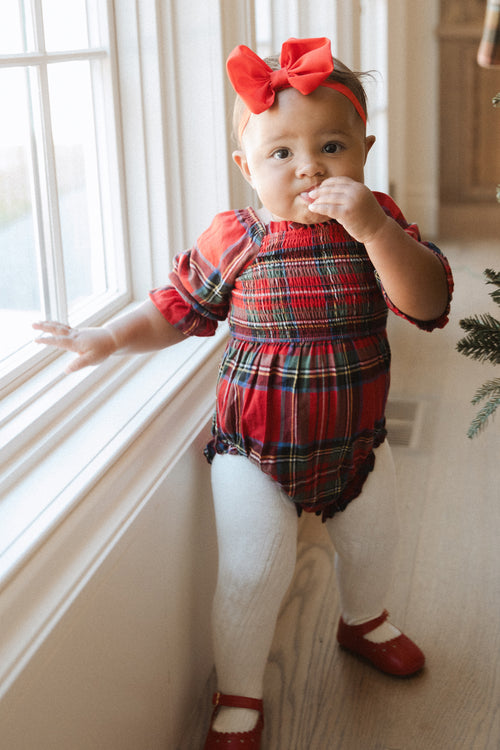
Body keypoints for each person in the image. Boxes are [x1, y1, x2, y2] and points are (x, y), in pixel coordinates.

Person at [34, 37, 453, 750]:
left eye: (331, 147)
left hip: (357, 442)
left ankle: (362, 620)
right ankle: (240, 690)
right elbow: (174, 306)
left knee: (376, 539)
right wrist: (104, 339)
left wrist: (376, 227)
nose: (310, 167)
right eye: (281, 155)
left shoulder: (375, 225)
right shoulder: (240, 238)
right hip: (256, 451)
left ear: (365, 149)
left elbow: (429, 302)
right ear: (246, 168)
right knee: (254, 569)